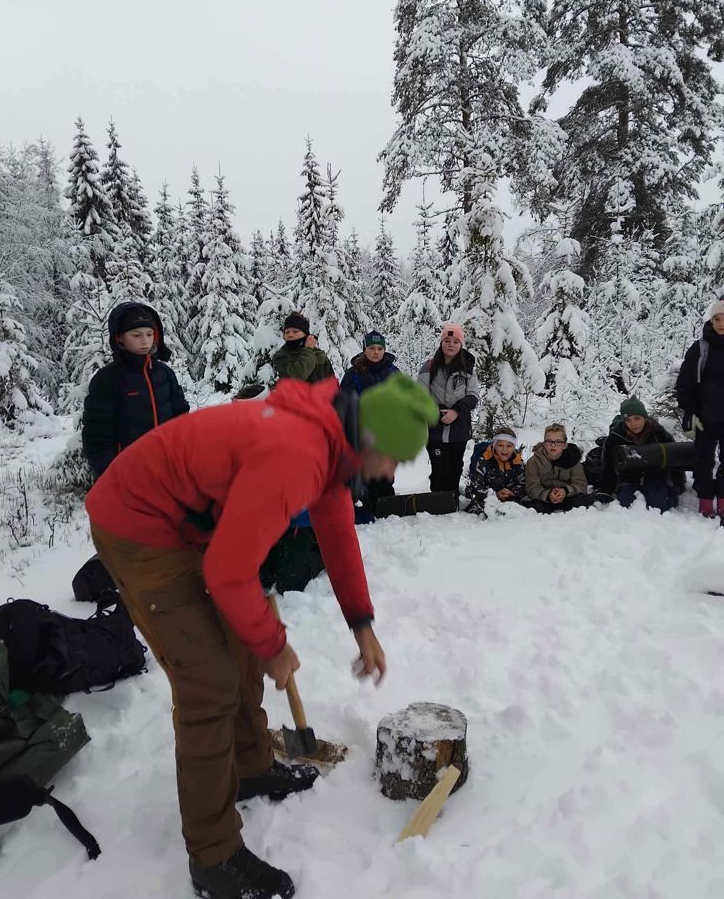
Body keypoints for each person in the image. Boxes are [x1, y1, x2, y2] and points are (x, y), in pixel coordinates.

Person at [85, 374, 438, 899]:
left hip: (192, 524)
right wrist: (275, 646)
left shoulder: (331, 440)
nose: (391, 473)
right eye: (392, 460)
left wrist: (361, 623)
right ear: (369, 441)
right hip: (140, 526)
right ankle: (214, 855)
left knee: (240, 643)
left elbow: (337, 530)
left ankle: (249, 766)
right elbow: (229, 572)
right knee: (208, 683)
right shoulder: (296, 454)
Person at [82, 301, 189, 479]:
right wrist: (111, 474)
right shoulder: (107, 379)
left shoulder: (164, 373)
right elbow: (97, 435)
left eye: (149, 334)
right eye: (136, 335)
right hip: (129, 471)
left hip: (169, 467)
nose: (145, 341)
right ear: (120, 338)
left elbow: (182, 418)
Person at [418, 324, 480, 495]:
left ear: (461, 345)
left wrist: (457, 411)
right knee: (439, 469)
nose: (450, 344)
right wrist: (437, 411)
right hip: (435, 429)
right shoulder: (429, 367)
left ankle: (452, 500)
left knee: (455, 468)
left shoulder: (468, 369)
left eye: (455, 341)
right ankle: (437, 502)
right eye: (447, 340)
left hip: (459, 428)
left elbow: (473, 396)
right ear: (441, 343)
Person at [341, 330, 400, 508]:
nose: (376, 352)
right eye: (372, 348)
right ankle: (367, 501)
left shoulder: (393, 372)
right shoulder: (353, 374)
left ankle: (385, 503)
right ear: (365, 349)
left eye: (380, 348)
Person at [676, 300, 724, 517]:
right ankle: (705, 502)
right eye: (717, 319)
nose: (721, 323)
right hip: (705, 417)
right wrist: (688, 411)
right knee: (703, 460)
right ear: (711, 320)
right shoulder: (701, 348)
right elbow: (685, 383)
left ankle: (723, 500)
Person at [600, 397, 683, 513]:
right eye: (628, 420)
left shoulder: (658, 433)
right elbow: (608, 465)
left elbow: (674, 458)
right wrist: (606, 490)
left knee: (660, 505)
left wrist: (679, 485)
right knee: (629, 505)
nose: (633, 424)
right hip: (628, 478)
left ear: (644, 417)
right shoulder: (615, 438)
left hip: (656, 475)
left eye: (637, 418)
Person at [524, 423, 598, 513]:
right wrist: (548, 495)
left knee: (582, 501)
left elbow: (580, 484)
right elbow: (532, 487)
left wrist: (565, 491)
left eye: (558, 442)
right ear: (544, 444)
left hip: (568, 496)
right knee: (532, 506)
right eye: (549, 441)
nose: (553, 445)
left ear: (564, 445)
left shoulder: (573, 460)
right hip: (544, 498)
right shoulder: (533, 462)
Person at [463, 426, 526, 516]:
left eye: (509, 446)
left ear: (513, 447)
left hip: (509, 499)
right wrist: (495, 494)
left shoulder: (517, 462)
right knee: (482, 514)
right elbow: (475, 487)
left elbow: (523, 484)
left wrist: (512, 492)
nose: (505, 449)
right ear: (494, 445)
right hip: (484, 500)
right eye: (500, 445)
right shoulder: (483, 460)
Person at [272, 311, 334, 383]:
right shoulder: (281, 356)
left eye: (295, 331)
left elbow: (333, 386)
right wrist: (308, 349)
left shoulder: (320, 356)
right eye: (287, 332)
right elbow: (298, 376)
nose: (290, 335)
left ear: (305, 334)